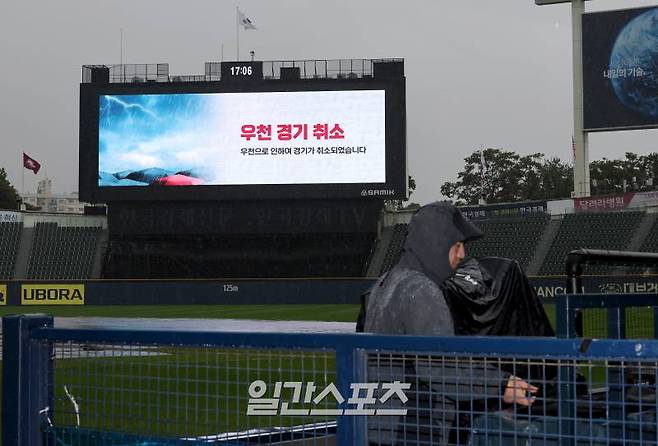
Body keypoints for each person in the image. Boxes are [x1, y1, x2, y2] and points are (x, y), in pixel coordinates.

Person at [364, 202, 537, 445]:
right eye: (457, 245)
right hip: (413, 428)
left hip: (379, 424)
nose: (463, 254)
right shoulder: (421, 289)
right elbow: (437, 367)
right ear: (434, 244)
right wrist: (500, 384)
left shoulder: (385, 282)